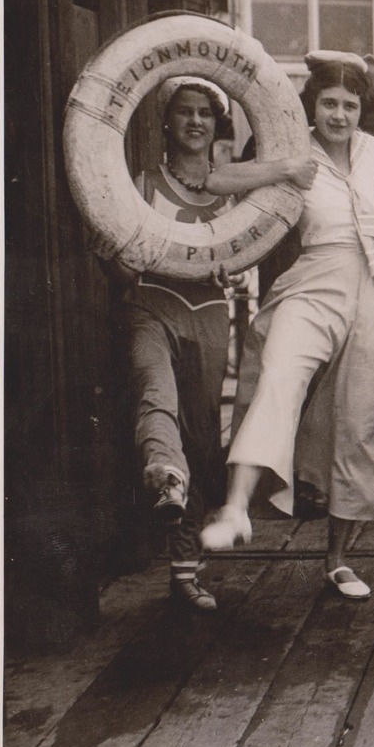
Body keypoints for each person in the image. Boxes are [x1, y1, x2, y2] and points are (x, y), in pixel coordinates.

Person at [200, 51, 374, 603]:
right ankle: (236, 508)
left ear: (363, 109)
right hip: (316, 280)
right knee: (278, 378)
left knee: (362, 421)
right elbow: (214, 177)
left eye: (349, 104)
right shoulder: (293, 154)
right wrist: (283, 170)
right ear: (310, 106)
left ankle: (338, 559)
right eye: (328, 103)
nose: (339, 114)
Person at [113, 76, 315, 611]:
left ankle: (184, 569)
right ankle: (164, 471)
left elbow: (255, 231)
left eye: (205, 112)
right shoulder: (143, 181)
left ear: (216, 123)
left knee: (201, 430)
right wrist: (115, 257)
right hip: (150, 305)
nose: (195, 121)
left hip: (206, 312)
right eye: (184, 112)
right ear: (167, 121)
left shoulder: (233, 188)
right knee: (155, 395)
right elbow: (118, 254)